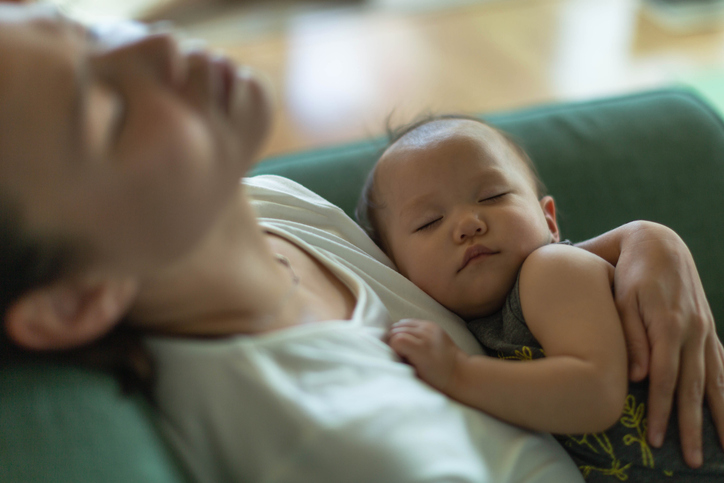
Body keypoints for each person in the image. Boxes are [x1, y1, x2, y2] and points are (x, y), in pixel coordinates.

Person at [0, 3, 722, 482]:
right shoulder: (326, 439)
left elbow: (479, 278)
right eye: (105, 109)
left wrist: (635, 244)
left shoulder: (266, 205)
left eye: (88, 31)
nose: (155, 42)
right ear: (76, 299)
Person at [355, 114, 724, 480]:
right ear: (396, 270)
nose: (469, 224)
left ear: (549, 220)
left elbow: (596, 392)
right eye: (429, 222)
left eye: (492, 196)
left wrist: (458, 373)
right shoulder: (477, 329)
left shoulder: (550, 269)